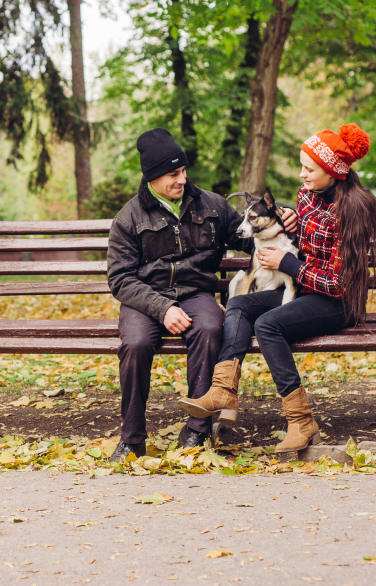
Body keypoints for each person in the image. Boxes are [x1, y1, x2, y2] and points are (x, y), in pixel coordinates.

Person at [180, 123, 376, 453]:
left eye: (308, 169)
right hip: (303, 290)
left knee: (267, 324)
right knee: (239, 304)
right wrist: (290, 216)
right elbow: (300, 233)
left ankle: (301, 421)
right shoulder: (309, 195)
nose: (301, 175)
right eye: (302, 167)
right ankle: (223, 391)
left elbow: (338, 284)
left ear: (332, 171)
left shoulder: (351, 212)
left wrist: (289, 265)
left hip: (337, 303)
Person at [105, 128, 297, 462]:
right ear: (152, 177)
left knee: (210, 329)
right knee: (134, 344)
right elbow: (120, 278)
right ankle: (132, 439)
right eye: (172, 174)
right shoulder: (129, 217)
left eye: (183, 171)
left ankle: (197, 430)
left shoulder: (211, 205)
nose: (182, 179)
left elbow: (248, 234)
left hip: (196, 293)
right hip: (145, 298)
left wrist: (281, 220)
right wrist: (162, 308)